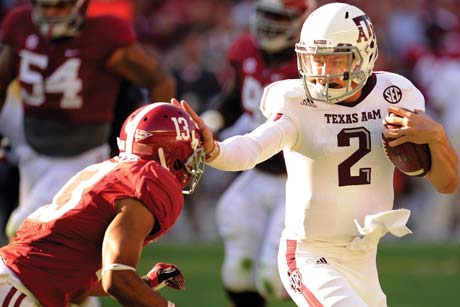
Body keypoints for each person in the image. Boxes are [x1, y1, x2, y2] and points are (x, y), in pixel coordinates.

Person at [173, 2, 459, 306]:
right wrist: (215, 149)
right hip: (310, 254)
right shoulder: (297, 103)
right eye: (315, 60)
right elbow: (253, 147)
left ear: (364, 54)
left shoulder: (394, 96)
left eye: (334, 60)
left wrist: (436, 136)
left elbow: (447, 183)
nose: (322, 72)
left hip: (363, 256)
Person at [0, 0, 176, 240]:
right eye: (45, 6)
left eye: (60, 7)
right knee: (49, 243)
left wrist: (147, 145)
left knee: (24, 227)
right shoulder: (20, 26)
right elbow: (2, 78)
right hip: (32, 153)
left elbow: (159, 81)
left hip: (82, 157)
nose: (52, 14)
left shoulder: (103, 36)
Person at [0, 102, 205, 307]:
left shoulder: (113, 172)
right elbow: (116, 279)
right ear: (171, 151)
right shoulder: (151, 181)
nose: (192, 161)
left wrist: (145, 283)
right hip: (19, 286)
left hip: (18, 281)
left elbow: (80, 278)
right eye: (190, 152)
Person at [200, 0, 315, 305]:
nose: (269, 23)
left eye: (277, 17)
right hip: (257, 170)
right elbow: (232, 101)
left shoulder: (313, 62)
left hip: (297, 177)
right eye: (265, 14)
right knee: (237, 270)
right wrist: (211, 121)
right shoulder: (245, 51)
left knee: (271, 278)